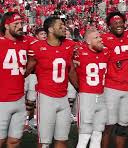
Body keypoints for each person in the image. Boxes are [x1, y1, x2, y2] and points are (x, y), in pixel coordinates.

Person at [26, 16, 78, 148]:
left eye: (64, 25)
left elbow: (71, 69)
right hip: (46, 97)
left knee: (62, 139)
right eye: (60, 25)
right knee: (44, 142)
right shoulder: (37, 47)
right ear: (50, 29)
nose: (64, 27)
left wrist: (79, 88)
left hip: (63, 98)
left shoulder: (69, 45)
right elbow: (28, 69)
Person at [101, 12, 128, 148]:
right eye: (115, 23)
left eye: (120, 22)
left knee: (123, 127)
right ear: (109, 26)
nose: (119, 25)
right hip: (111, 87)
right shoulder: (103, 38)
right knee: (108, 126)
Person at [75, 29, 109, 148]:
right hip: (86, 96)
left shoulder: (105, 52)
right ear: (88, 41)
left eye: (100, 37)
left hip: (101, 96)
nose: (100, 39)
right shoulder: (79, 52)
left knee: (98, 133)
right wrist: (78, 87)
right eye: (96, 38)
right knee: (84, 135)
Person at [0, 12, 28, 148]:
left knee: (14, 141)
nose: (20, 26)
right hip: (1, 100)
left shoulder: (26, 42)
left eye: (21, 23)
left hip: (19, 98)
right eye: (15, 24)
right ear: (6, 26)